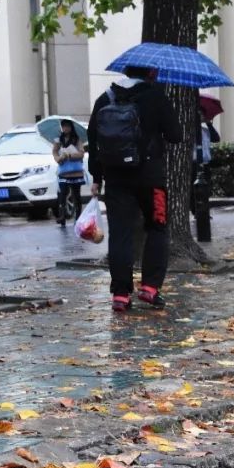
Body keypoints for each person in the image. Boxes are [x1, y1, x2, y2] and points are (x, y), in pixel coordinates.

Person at [87, 66, 182, 313]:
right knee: (158, 227)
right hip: (151, 179)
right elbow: (176, 135)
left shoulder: (106, 97)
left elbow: (93, 138)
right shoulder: (155, 95)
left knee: (120, 233)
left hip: (116, 178)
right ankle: (150, 288)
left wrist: (97, 176)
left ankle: (120, 294)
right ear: (150, 73)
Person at [52, 120, 86, 226]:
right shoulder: (59, 140)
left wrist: (70, 155)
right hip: (63, 172)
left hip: (76, 172)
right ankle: (62, 216)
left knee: (76, 195)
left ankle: (78, 216)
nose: (65, 129)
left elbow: (81, 153)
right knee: (62, 195)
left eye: (67, 126)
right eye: (63, 126)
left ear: (71, 127)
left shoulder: (77, 139)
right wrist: (59, 158)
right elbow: (54, 152)